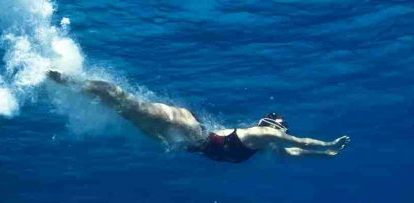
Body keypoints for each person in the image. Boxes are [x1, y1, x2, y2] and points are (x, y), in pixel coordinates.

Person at [47, 71, 350, 163]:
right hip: (191, 130)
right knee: (133, 106)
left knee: (126, 112)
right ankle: (73, 81)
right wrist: (326, 144)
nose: (282, 134)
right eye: (281, 129)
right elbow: (296, 141)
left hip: (188, 142)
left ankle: (78, 87)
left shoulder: (266, 142)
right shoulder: (263, 135)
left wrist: (328, 154)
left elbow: (294, 152)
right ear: (271, 125)